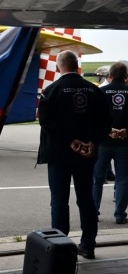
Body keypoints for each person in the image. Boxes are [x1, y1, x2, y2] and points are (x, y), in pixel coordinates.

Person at [37, 50, 112, 260]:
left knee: (59, 201)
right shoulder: (94, 91)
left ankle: (60, 247)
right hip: (86, 156)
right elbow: (106, 122)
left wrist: (71, 141)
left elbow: (46, 122)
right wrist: (91, 142)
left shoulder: (50, 91)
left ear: (59, 67)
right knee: (86, 199)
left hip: (59, 155)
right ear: (77, 66)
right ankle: (88, 245)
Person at [93, 61, 128, 225]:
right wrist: (125, 131)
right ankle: (120, 215)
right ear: (126, 76)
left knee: (97, 179)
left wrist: (107, 130)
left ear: (110, 75)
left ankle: (93, 212)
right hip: (125, 143)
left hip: (103, 142)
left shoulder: (101, 92)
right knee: (123, 179)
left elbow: (93, 118)